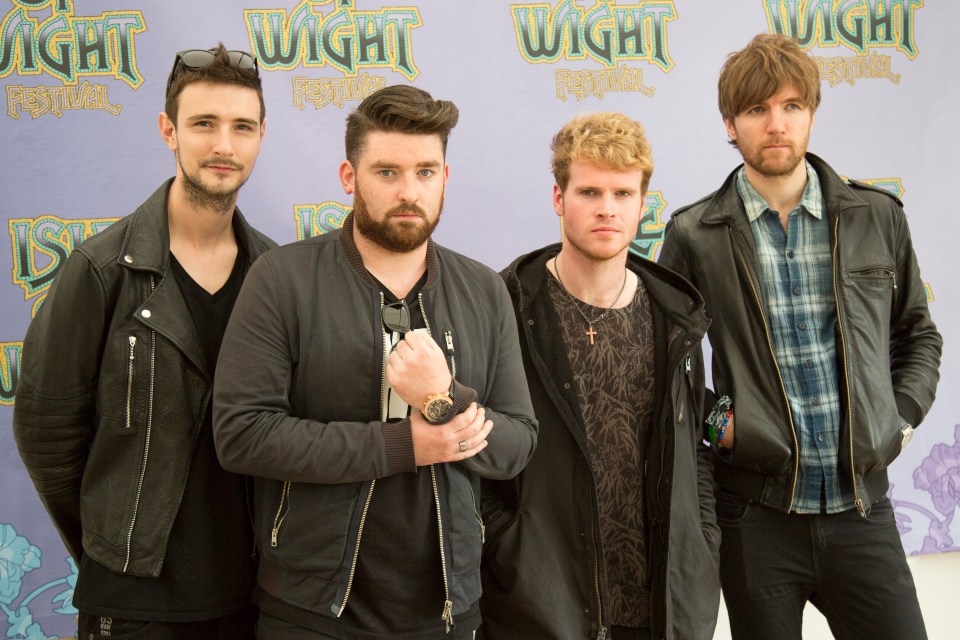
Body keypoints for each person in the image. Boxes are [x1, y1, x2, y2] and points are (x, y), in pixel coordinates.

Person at [212, 84, 538, 640]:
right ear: (349, 177)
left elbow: (516, 445)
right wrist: (403, 447)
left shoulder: (484, 289)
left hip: (448, 612)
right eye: (386, 172)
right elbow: (243, 434)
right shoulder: (282, 280)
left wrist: (444, 401)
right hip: (312, 610)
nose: (409, 190)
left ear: (445, 177)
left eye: (425, 172)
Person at [658, 33, 943, 640]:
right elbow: (664, 369)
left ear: (812, 113)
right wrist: (721, 426)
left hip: (862, 509)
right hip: (756, 518)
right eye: (757, 109)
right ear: (730, 125)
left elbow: (917, 335)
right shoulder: (694, 233)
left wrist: (900, 417)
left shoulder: (877, 216)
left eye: (791, 106)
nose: (776, 124)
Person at [13, 44, 275, 639]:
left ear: (262, 136)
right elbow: (45, 430)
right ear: (168, 130)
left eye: (242, 127)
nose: (223, 146)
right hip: (132, 604)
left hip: (257, 597)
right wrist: (110, 543)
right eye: (203, 124)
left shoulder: (275, 275)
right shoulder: (101, 269)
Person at [479, 112, 720, 640]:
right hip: (543, 605)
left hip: (660, 607)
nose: (607, 209)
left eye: (622, 193)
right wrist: (508, 546)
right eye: (589, 191)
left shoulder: (675, 314)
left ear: (641, 205)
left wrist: (702, 539)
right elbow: (479, 446)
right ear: (559, 199)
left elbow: (694, 447)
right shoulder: (507, 307)